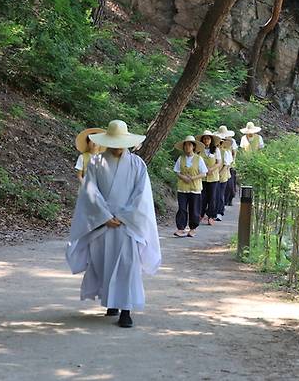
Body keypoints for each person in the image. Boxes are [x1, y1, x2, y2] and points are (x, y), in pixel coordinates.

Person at [66, 120, 161, 328]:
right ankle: (112, 302)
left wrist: (125, 216)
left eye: (121, 143)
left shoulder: (138, 165)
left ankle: (126, 310)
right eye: (114, 142)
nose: (118, 147)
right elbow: (90, 191)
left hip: (127, 224)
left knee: (127, 265)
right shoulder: (96, 162)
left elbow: (141, 196)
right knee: (104, 263)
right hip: (104, 223)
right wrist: (105, 216)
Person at [173, 136, 207, 237]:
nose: (187, 147)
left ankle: (192, 229)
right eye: (186, 145)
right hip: (182, 188)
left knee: (194, 209)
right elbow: (177, 171)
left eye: (189, 145)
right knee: (182, 208)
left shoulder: (198, 159)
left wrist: (193, 178)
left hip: (195, 188)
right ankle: (180, 228)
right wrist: (183, 177)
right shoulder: (181, 158)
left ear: (193, 147)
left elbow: (204, 173)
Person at [196, 130, 222, 225]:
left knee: (212, 197)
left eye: (208, 138)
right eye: (205, 138)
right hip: (202, 177)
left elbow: (218, 162)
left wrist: (211, 169)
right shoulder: (199, 150)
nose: (206, 140)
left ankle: (211, 216)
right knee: (202, 197)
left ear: (211, 140)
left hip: (213, 177)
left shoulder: (216, 150)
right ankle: (200, 214)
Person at [216, 125, 237, 206]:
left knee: (230, 185)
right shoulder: (218, 144)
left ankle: (229, 199)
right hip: (221, 166)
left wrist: (233, 162)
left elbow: (234, 152)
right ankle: (222, 203)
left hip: (229, 165)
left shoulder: (232, 141)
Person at [215, 138, 234, 221]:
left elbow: (226, 165)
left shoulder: (225, 152)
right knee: (214, 195)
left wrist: (219, 173)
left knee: (220, 194)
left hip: (222, 176)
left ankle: (219, 212)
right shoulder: (214, 152)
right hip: (213, 177)